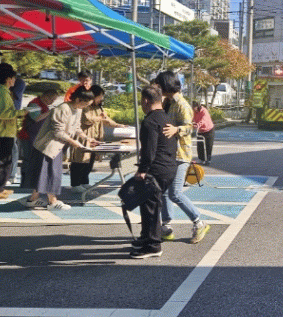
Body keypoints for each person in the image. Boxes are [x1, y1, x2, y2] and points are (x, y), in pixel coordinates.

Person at [154, 71, 210, 244]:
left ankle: (199, 223)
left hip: (180, 154)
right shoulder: (168, 102)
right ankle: (166, 226)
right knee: (164, 191)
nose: (157, 88)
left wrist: (176, 129)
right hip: (168, 154)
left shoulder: (182, 104)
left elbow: (189, 127)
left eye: (159, 85)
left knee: (175, 193)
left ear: (166, 85)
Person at [24, 88, 97, 210]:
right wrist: (74, 142)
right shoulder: (62, 108)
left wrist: (87, 138)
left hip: (57, 146)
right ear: (78, 99)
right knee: (51, 174)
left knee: (44, 173)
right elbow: (57, 131)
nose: (85, 107)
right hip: (49, 146)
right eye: (85, 104)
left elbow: (76, 127)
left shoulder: (78, 109)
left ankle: (32, 199)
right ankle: (52, 202)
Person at [129, 85, 178, 259]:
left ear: (145, 100)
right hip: (169, 167)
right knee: (151, 205)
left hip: (155, 169)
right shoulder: (166, 117)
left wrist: (142, 170)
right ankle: (146, 237)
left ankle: (152, 245)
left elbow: (149, 150)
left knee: (150, 207)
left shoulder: (150, 121)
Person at [69, 85, 125, 193]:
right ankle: (75, 184)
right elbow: (86, 120)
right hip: (84, 137)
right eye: (100, 96)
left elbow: (106, 119)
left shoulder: (98, 107)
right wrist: (100, 117)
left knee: (89, 161)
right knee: (79, 161)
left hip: (94, 138)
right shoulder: (85, 106)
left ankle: (84, 181)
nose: (101, 99)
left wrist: (118, 125)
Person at [0, 63, 27, 198]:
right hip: (1, 133)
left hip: (5, 132)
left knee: (4, 162)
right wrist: (21, 113)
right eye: (13, 78)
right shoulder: (1, 93)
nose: (14, 81)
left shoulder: (4, 92)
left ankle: (0, 187)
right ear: (8, 79)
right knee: (0, 163)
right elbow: (1, 113)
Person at [19, 89, 59, 188]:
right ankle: (25, 182)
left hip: (36, 136)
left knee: (35, 160)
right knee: (29, 159)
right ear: (46, 96)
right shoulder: (34, 104)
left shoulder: (43, 105)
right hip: (28, 135)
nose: (52, 102)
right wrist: (50, 112)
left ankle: (31, 181)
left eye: (54, 100)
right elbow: (36, 118)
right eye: (51, 99)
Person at [9, 76, 26, 185]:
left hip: (10, 122)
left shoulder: (19, 83)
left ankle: (11, 175)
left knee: (12, 148)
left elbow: (15, 98)